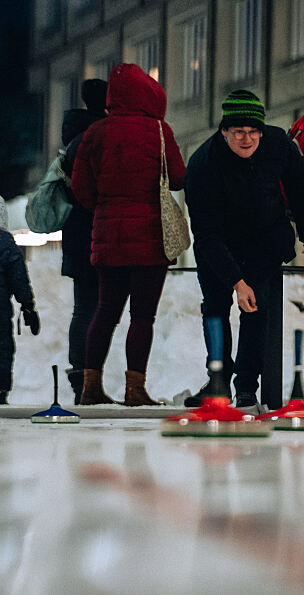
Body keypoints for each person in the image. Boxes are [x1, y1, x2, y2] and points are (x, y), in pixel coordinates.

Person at [184, 90, 304, 410]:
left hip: (264, 240)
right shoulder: (203, 164)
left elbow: (300, 188)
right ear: (223, 131)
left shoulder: (278, 145)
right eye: (238, 132)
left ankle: (246, 386)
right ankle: (218, 381)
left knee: (255, 311)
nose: (247, 139)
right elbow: (206, 233)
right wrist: (236, 281)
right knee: (215, 308)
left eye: (253, 131)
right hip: (218, 244)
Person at [71, 63, 186, 406]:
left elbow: (80, 186)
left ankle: (90, 387)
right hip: (150, 237)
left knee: (105, 310)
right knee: (142, 316)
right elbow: (178, 178)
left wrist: (105, 208)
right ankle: (135, 389)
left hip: (108, 235)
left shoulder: (96, 133)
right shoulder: (159, 130)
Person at [61, 79, 107, 404]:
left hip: (76, 234)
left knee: (83, 310)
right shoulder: (97, 138)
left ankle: (82, 380)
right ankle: (89, 383)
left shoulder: (73, 137)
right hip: (98, 232)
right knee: (100, 309)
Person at [0, 197, 40, 404]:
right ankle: (0, 390)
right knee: (2, 348)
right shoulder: (6, 243)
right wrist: (28, 307)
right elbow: (19, 280)